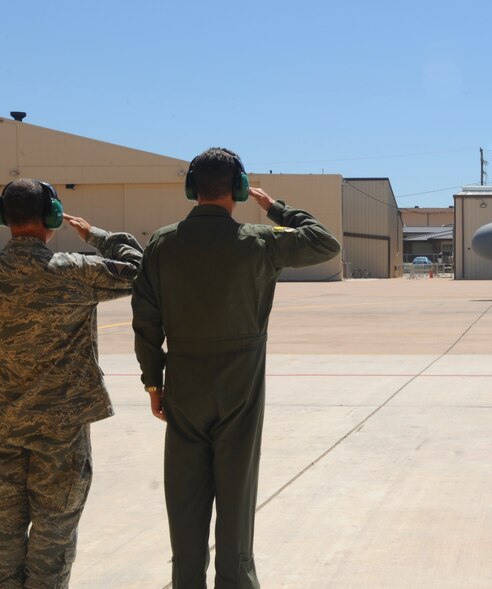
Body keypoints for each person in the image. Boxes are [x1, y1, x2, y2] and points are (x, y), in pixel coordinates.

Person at [131, 147, 340, 588]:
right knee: (236, 497)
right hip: (240, 386)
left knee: (185, 499)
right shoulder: (259, 241)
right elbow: (324, 242)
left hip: (184, 384)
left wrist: (154, 383)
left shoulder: (163, 244)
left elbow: (146, 320)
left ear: (192, 189)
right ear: (241, 190)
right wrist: (276, 208)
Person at [0, 179, 143, 588]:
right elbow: (140, 270)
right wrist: (98, 237)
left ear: (4, 218)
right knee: (53, 538)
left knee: (3, 535)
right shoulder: (76, 272)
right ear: (53, 217)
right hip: (61, 431)